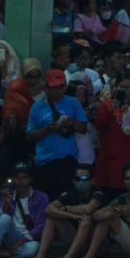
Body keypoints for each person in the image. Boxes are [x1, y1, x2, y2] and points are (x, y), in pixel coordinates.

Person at [26, 68, 87, 201]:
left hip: (67, 160)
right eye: (54, 88)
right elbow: (30, 135)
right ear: (46, 88)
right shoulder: (37, 107)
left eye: (61, 87)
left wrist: (72, 122)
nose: (58, 91)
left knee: (66, 201)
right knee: (45, 201)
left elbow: (83, 128)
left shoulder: (73, 102)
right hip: (44, 162)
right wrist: (46, 130)